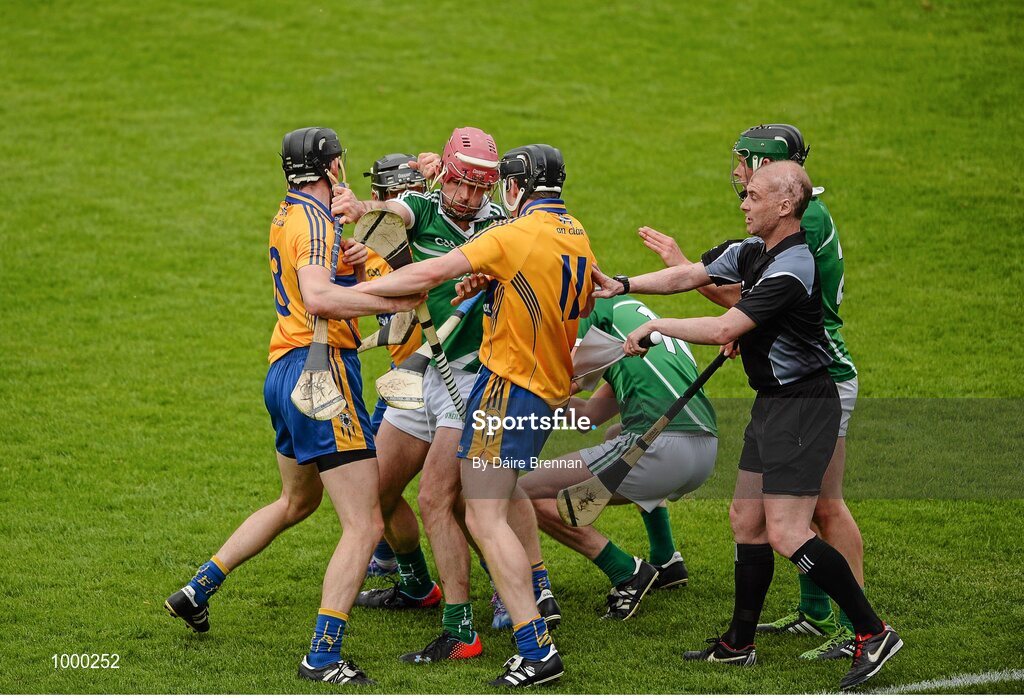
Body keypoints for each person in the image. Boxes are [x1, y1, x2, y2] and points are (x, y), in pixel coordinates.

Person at [595, 161, 901, 692]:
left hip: (802, 407)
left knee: (787, 531)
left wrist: (655, 325)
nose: (742, 202)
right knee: (746, 519)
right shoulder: (756, 250)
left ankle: (874, 632)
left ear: (784, 206)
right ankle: (739, 644)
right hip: (774, 404)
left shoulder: (793, 265)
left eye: (753, 195)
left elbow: (722, 328)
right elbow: (690, 274)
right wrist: (622, 283)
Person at [164, 127, 422, 685]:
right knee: (364, 523)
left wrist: (353, 265)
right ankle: (323, 655)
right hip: (322, 370)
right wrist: (395, 296)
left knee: (294, 502)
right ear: (331, 170)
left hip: (284, 371)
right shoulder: (315, 220)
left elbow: (324, 283)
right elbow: (320, 298)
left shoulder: (289, 213)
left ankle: (197, 589)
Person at [345, 144, 596, 687]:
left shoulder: (508, 231)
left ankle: (515, 634)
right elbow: (587, 297)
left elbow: (432, 270)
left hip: (503, 385)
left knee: (468, 508)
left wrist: (347, 298)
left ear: (513, 187)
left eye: (489, 185)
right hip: (521, 384)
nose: (474, 196)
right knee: (475, 503)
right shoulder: (574, 231)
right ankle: (515, 614)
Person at [637, 124, 863, 660]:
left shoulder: (799, 223)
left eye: (747, 167)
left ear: (773, 177)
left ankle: (857, 629)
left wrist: (704, 307)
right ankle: (798, 621)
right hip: (785, 380)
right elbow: (744, 299)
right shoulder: (775, 221)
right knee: (762, 514)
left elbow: (742, 305)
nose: (739, 177)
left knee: (820, 511)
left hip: (814, 379)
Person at [519, 295, 718, 621]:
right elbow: (589, 415)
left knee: (525, 492)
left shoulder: (589, 314)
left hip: (659, 449)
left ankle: (627, 573)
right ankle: (666, 559)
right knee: (614, 435)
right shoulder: (628, 319)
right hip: (703, 450)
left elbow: (562, 383)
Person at [361, 152, 428, 578]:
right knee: (373, 487)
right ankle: (404, 573)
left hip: (445, 376)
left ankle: (516, 588)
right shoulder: (364, 249)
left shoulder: (433, 235)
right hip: (404, 377)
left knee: (462, 499)